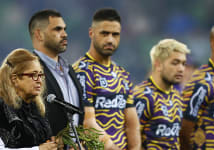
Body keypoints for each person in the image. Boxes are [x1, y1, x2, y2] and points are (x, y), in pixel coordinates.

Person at [73, 8, 140, 150]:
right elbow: (88, 123)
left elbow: (132, 124)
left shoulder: (122, 74)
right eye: (104, 33)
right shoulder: (82, 71)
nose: (110, 39)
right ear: (91, 33)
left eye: (115, 34)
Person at [28, 9, 84, 139]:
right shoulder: (25, 72)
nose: (65, 34)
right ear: (39, 35)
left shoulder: (70, 70)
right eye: (57, 29)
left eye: (64, 29)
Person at [132, 39, 190, 149]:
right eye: (175, 63)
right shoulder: (143, 97)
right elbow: (130, 140)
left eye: (183, 64)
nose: (181, 69)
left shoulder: (177, 97)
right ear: (158, 65)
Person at [0, 49, 58, 150]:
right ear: (15, 79)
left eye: (41, 75)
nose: (40, 81)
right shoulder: (2, 107)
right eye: (34, 75)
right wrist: (38, 149)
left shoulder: (36, 108)